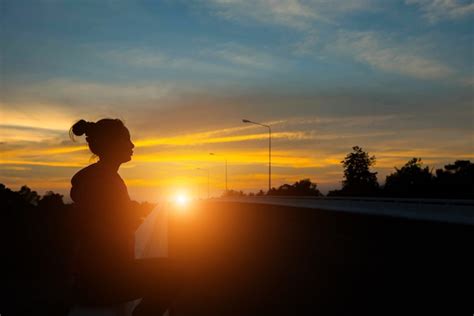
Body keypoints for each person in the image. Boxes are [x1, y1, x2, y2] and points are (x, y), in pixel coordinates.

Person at [69, 118, 175, 315]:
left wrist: (134, 216)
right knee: (173, 275)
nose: (132, 145)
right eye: (127, 140)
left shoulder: (100, 177)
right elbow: (107, 230)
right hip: (103, 280)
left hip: (99, 274)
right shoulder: (103, 181)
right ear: (112, 144)